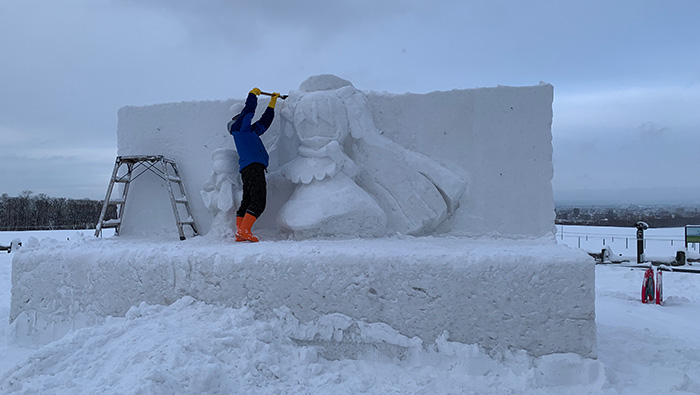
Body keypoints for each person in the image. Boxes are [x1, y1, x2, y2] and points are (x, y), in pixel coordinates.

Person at [228, 87, 280, 242]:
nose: (247, 118)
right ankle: (244, 230)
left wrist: (272, 104)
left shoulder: (249, 131)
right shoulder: (239, 128)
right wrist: (252, 96)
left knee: (248, 199)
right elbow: (249, 111)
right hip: (253, 167)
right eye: (243, 116)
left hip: (249, 168)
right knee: (258, 201)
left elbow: (264, 123)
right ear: (238, 117)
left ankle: (240, 231)